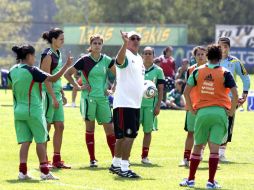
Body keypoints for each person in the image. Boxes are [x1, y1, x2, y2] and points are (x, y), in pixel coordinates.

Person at [8, 44, 72, 180]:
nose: (35, 58)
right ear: (29, 56)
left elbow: (12, 85)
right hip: (34, 111)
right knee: (41, 141)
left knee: (25, 142)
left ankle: (22, 172)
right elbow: (53, 78)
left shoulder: (12, 70)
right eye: (34, 56)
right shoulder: (32, 70)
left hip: (18, 111)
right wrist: (66, 66)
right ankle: (44, 172)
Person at [180, 44, 238, 189]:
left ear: (207, 56)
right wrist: (231, 111)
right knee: (214, 150)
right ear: (220, 57)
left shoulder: (197, 71)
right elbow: (235, 95)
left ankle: (191, 180)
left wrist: (191, 108)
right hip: (219, 113)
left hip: (202, 112)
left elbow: (186, 92)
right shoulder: (225, 72)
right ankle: (211, 182)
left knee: (198, 146)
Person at [64, 34, 116, 167]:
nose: (97, 45)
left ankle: (116, 160)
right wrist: (79, 86)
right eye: (95, 43)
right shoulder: (84, 60)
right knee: (90, 129)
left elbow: (119, 74)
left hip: (103, 99)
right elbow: (67, 74)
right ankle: (92, 159)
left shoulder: (107, 60)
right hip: (89, 100)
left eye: (99, 43)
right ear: (91, 45)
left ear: (102, 45)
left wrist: (112, 89)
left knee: (110, 130)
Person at [108, 31, 145, 178]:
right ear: (127, 40)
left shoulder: (139, 58)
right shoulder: (126, 55)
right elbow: (119, 61)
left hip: (135, 104)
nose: (135, 40)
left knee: (122, 137)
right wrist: (124, 44)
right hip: (125, 103)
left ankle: (116, 164)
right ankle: (124, 168)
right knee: (129, 137)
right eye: (132, 38)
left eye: (137, 38)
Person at [40, 28, 71, 169]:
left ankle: (57, 159)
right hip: (48, 96)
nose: (63, 42)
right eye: (61, 39)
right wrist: (53, 97)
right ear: (53, 40)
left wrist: (62, 94)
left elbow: (56, 78)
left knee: (60, 126)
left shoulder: (58, 53)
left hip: (57, 94)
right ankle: (44, 160)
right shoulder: (47, 55)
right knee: (46, 127)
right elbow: (45, 79)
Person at [218, 37, 250, 162]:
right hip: (214, 97)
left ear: (229, 48)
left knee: (228, 124)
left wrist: (244, 94)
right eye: (220, 46)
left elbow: (246, 78)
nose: (223, 49)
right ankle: (204, 151)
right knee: (213, 122)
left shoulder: (235, 62)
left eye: (225, 46)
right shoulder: (213, 60)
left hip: (230, 99)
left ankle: (221, 153)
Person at [179, 46, 207, 167]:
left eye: (203, 54)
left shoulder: (211, 69)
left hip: (206, 106)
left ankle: (200, 153)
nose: (201, 56)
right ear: (194, 57)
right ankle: (185, 158)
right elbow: (187, 90)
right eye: (198, 54)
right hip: (192, 106)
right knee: (190, 132)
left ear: (206, 55)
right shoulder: (190, 70)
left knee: (205, 133)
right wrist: (189, 106)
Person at [140, 47, 165, 164]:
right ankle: (126, 156)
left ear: (153, 56)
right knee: (132, 132)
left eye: (150, 53)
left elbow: (161, 90)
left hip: (150, 106)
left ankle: (144, 156)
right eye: (146, 53)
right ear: (142, 55)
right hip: (136, 105)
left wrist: (158, 105)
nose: (148, 55)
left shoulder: (158, 70)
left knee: (148, 131)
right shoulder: (137, 68)